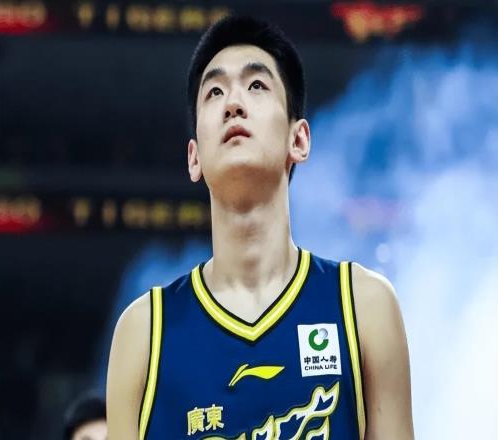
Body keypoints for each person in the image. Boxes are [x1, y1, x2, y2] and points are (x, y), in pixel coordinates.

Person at [107, 15, 414, 440]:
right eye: (214, 92)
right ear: (194, 157)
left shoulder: (364, 305)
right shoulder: (144, 332)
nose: (233, 103)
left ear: (298, 139)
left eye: (256, 85)